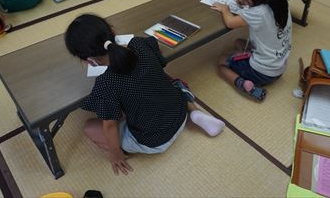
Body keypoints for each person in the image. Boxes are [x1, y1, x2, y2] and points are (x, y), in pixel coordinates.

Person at [65, 14, 225, 175]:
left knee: (90, 127)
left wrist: (115, 154)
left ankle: (128, 149)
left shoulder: (105, 82)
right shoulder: (140, 43)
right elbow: (160, 62)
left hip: (154, 141)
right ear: (113, 31)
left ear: (87, 60)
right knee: (174, 83)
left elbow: (110, 125)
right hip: (179, 113)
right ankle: (194, 110)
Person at [212, 0, 292, 101]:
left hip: (262, 72)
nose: (238, 0)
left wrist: (225, 9)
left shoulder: (257, 12)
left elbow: (230, 23)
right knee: (238, 42)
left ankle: (244, 84)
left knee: (221, 62)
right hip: (279, 65)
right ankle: (246, 60)